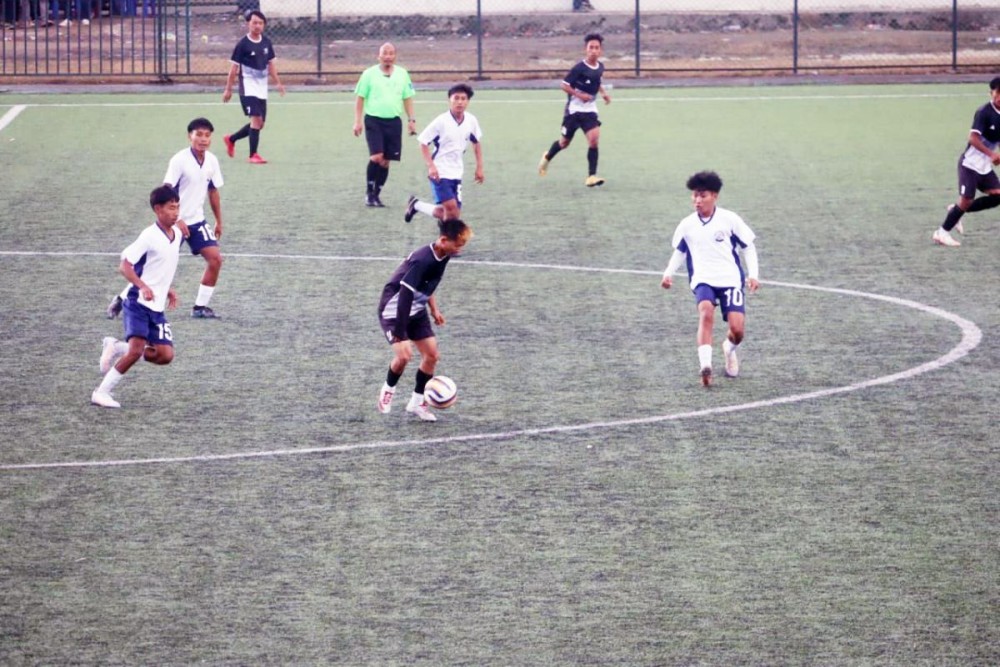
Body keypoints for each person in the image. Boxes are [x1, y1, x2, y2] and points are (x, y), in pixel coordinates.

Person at [107, 117, 225, 320]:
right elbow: (167, 189)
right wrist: (177, 219)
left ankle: (200, 307)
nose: (203, 139)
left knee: (215, 259)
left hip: (197, 220)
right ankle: (121, 298)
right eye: (199, 135)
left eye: (207, 135)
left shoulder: (212, 161)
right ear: (189, 136)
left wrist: (218, 221)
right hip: (174, 222)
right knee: (155, 265)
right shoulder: (179, 160)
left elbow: (213, 191)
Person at [660, 171, 761, 387]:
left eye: (702, 195)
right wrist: (668, 273)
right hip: (703, 279)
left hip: (730, 280)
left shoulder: (729, 220)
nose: (697, 200)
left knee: (737, 330)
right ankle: (705, 366)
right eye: (695, 195)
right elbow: (680, 251)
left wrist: (753, 274)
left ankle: (729, 349)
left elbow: (748, 247)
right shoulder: (687, 225)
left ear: (714, 196)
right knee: (705, 312)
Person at [92, 185, 183, 408]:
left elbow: (161, 266)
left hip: (157, 306)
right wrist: (142, 286)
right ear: (158, 209)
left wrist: (167, 288)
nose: (176, 212)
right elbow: (125, 266)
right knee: (135, 351)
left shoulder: (177, 234)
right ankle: (101, 393)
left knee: (165, 355)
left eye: (177, 207)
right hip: (137, 303)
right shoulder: (149, 236)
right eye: (171, 208)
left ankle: (115, 346)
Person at [376, 218, 473, 421]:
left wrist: (434, 309)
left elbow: (428, 284)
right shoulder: (423, 260)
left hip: (417, 308)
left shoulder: (444, 255)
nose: (460, 249)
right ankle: (388, 391)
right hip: (395, 311)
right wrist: (400, 329)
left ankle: (417, 403)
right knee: (404, 356)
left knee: (432, 356)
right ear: (443, 240)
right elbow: (405, 293)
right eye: (458, 244)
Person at [932, 75, 1000, 248]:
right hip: (969, 164)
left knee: (997, 195)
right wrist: (991, 154)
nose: (999, 97)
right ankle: (941, 232)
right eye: (997, 93)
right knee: (967, 199)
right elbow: (973, 138)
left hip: (984, 167)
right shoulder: (984, 112)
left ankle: (955, 211)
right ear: (991, 93)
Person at [537, 32, 612, 187]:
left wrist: (603, 94)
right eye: (591, 47)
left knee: (594, 140)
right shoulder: (579, 68)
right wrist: (579, 95)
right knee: (564, 143)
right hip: (574, 111)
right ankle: (547, 157)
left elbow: (597, 82)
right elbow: (564, 85)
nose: (593, 50)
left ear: (600, 50)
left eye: (596, 48)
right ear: (586, 49)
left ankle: (591, 176)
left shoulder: (600, 67)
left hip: (590, 110)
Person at [404, 83, 484, 224]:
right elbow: (423, 142)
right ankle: (446, 236)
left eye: (463, 99)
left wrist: (479, 167)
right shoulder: (441, 121)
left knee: (453, 214)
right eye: (456, 98)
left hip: (457, 170)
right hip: (440, 170)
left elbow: (476, 143)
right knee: (451, 209)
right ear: (449, 100)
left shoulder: (471, 120)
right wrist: (431, 166)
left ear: (468, 101)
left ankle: (416, 205)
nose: (460, 102)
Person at [353, 42, 417, 208]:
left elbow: (407, 98)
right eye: (385, 53)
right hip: (374, 120)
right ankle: (369, 193)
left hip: (394, 122)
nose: (388, 56)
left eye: (391, 53)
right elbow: (360, 98)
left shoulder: (402, 74)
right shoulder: (368, 74)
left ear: (395, 56)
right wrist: (357, 121)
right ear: (379, 56)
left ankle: (376, 195)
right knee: (376, 157)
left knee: (386, 161)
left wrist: (411, 120)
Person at [222, 9, 285, 165]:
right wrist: (228, 89)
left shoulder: (266, 42)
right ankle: (253, 155)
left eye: (260, 23)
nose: (257, 26)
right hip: (248, 88)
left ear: (264, 25)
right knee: (256, 120)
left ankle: (231, 139)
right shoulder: (242, 44)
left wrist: (278, 82)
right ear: (248, 24)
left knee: (259, 124)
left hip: (261, 89)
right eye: (254, 23)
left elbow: (271, 65)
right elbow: (233, 69)